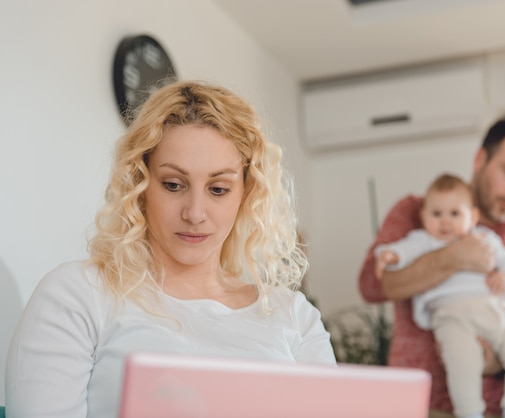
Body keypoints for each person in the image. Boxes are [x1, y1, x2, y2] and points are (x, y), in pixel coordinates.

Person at [6, 81, 336, 418]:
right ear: (141, 184)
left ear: (246, 194)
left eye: (218, 189)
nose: (194, 213)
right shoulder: (78, 295)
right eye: (173, 185)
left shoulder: (293, 316)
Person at [358, 116, 505, 418]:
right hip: (422, 407)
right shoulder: (417, 214)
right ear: (480, 159)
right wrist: (453, 257)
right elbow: (373, 285)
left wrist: (499, 360)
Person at [375, 173, 505, 418]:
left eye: (455, 214)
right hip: (452, 319)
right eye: (436, 214)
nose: (445, 222)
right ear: (423, 217)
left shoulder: (484, 238)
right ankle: (470, 412)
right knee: (463, 366)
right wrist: (390, 255)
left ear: (472, 217)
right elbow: (402, 251)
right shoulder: (424, 241)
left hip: (496, 312)